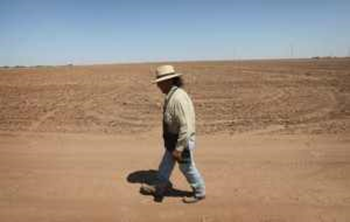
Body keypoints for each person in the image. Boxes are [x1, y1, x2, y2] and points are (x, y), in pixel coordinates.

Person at [141, 65, 206, 203]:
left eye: (160, 82)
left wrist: (179, 148)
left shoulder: (178, 98)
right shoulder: (172, 95)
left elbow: (186, 127)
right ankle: (159, 188)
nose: (158, 85)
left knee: (186, 167)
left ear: (170, 81)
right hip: (173, 140)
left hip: (181, 141)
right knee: (165, 165)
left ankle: (199, 192)